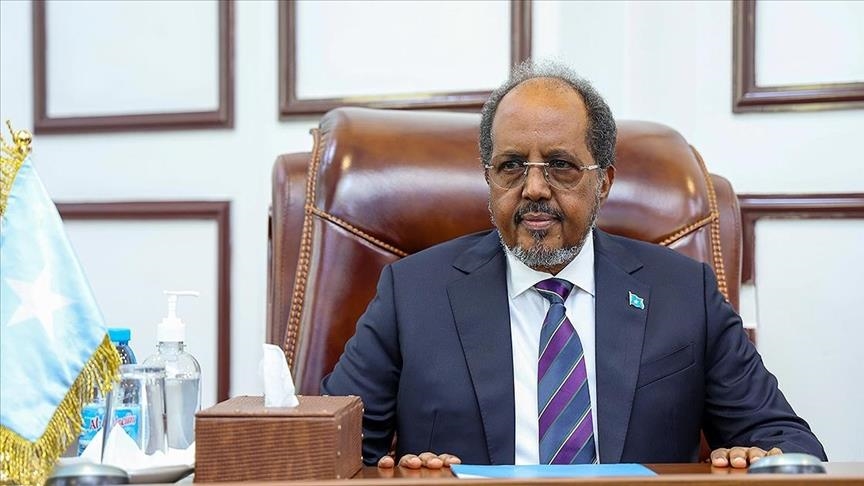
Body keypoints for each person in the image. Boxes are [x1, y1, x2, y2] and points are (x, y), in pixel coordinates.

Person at [321, 60, 826, 470]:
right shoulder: (413, 294)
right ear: (489, 178)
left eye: (560, 165)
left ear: (603, 182)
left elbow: (788, 441)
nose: (534, 188)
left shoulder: (682, 292)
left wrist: (756, 458)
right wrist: (400, 476)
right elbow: (325, 452)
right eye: (511, 166)